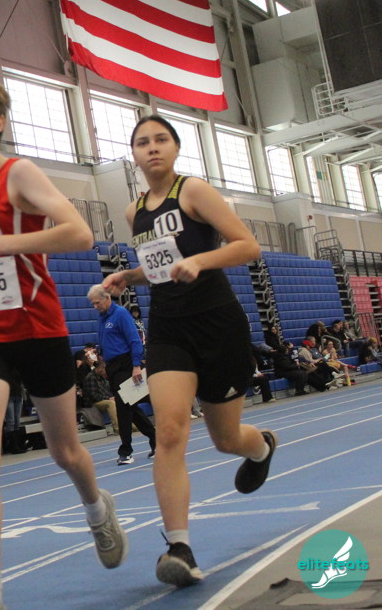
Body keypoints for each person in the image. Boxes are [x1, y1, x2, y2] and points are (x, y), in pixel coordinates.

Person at [0, 79, 127, 610]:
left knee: (66, 451)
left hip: (38, 328)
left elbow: (79, 233)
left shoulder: (18, 174)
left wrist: (5, 242)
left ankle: (97, 510)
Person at [102, 114, 278, 588]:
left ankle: (261, 447)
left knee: (226, 439)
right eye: (143, 142)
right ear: (133, 155)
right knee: (170, 432)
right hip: (168, 329)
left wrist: (201, 260)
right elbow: (159, 266)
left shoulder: (193, 191)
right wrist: (130, 277)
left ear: (176, 148)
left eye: (161, 139)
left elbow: (248, 246)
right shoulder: (133, 211)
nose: (152, 147)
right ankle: (178, 547)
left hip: (217, 325)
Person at [87, 285, 156, 464]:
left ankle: (126, 450)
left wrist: (136, 366)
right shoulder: (102, 317)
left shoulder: (121, 314)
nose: (95, 306)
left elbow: (134, 340)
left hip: (125, 364)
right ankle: (155, 439)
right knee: (130, 406)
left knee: (123, 407)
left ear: (107, 298)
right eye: (93, 303)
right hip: (112, 367)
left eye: (97, 302)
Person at [79, 361, 118, 433]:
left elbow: (106, 392)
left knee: (119, 401)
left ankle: (130, 425)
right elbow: (94, 396)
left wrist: (112, 397)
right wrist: (108, 398)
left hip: (101, 400)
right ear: (100, 368)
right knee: (111, 403)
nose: (106, 372)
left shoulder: (102, 377)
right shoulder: (90, 377)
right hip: (93, 404)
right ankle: (117, 428)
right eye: (105, 369)